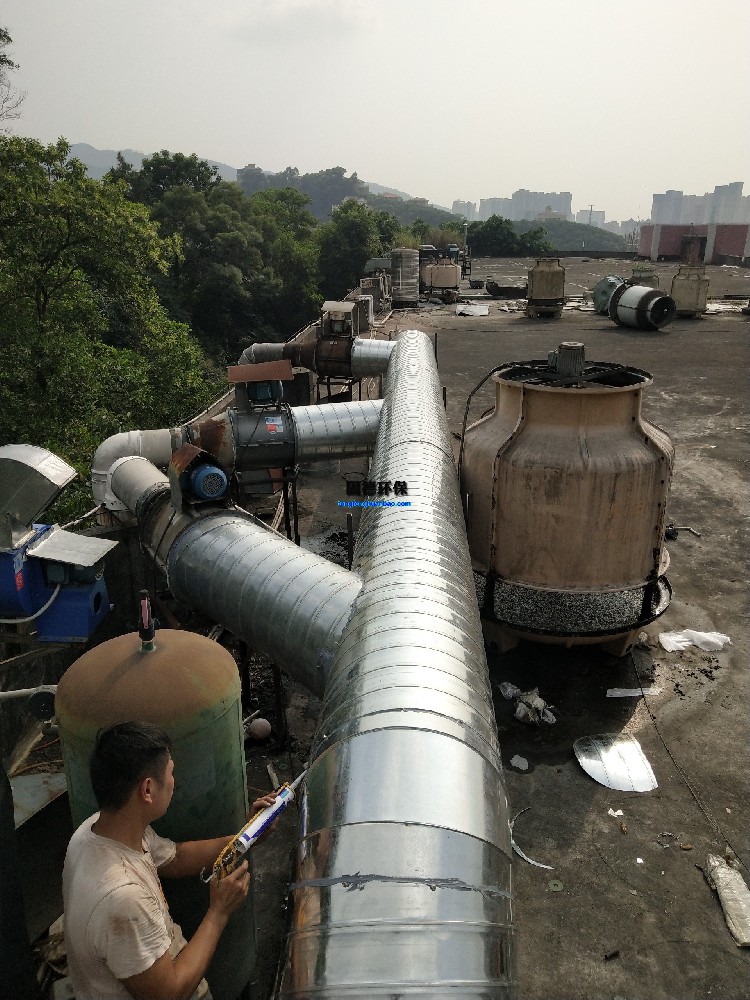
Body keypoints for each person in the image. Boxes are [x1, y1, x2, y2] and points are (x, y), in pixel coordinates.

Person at [62, 721, 276, 1000]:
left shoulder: (96, 831)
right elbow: (170, 993)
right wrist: (219, 911)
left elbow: (176, 858)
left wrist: (247, 836)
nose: (175, 782)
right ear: (148, 790)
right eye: (171, 772)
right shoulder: (124, 899)